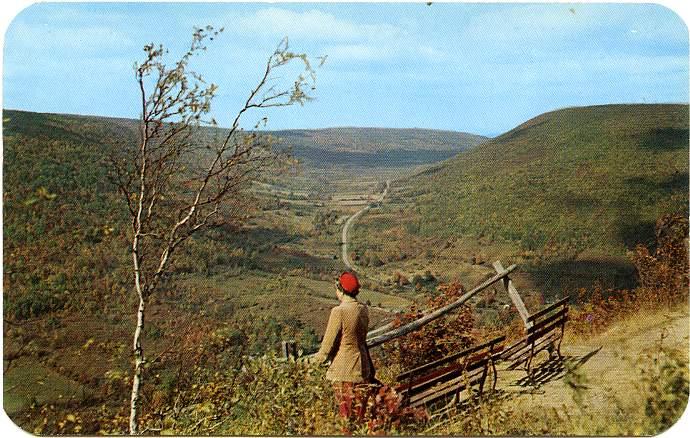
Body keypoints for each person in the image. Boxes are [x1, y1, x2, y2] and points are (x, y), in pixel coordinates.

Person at [312, 271, 376, 421]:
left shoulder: (339, 312)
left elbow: (326, 348)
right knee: (360, 416)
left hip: (345, 370)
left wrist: (308, 364)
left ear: (340, 290)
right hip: (363, 367)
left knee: (346, 418)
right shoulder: (363, 309)